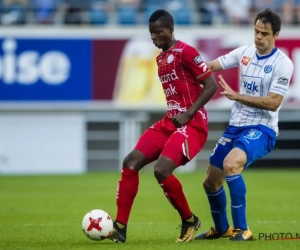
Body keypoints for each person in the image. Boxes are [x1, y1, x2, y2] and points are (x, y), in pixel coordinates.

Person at [107, 9, 218, 243]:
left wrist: (188, 114)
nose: (153, 37)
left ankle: (189, 220)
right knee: (130, 162)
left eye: (158, 32)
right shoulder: (159, 58)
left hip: (193, 124)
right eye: (151, 33)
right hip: (170, 121)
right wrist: (179, 115)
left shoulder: (186, 52)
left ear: (170, 30)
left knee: (161, 170)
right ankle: (120, 227)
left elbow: (210, 85)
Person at [194, 8, 294, 241]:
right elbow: (211, 65)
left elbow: (273, 102)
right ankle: (222, 229)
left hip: (263, 128)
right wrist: (187, 68)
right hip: (236, 126)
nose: (258, 37)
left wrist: (237, 96)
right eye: (256, 31)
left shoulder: (283, 64)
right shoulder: (245, 52)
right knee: (210, 181)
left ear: (276, 34)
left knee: (231, 164)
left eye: (264, 33)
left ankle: (243, 230)